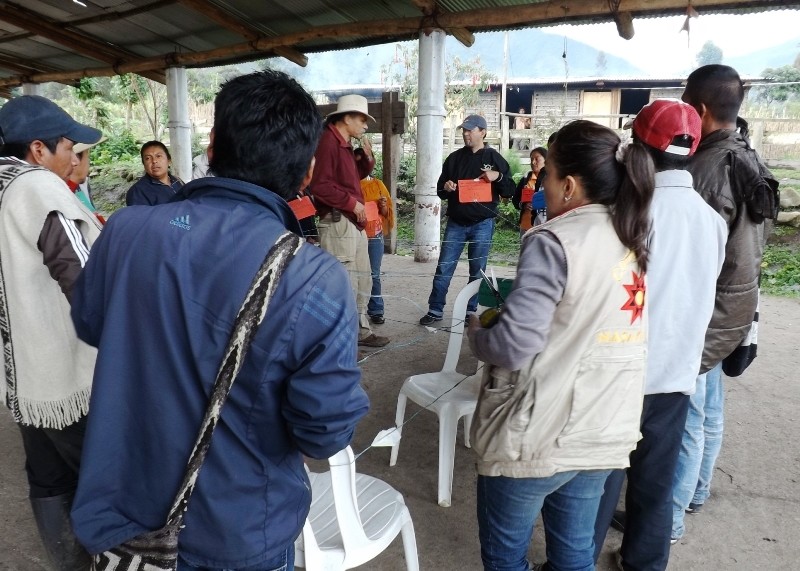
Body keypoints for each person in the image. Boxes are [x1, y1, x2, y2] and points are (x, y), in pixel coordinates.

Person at [69, 70, 370, 571]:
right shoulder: (312, 278)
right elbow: (323, 433)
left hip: (124, 518)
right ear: (306, 171)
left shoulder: (125, 231)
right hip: (238, 532)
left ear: (211, 145)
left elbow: (91, 324)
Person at [467, 119, 654, 571]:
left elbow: (513, 345)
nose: (540, 183)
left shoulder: (554, 240)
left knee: (506, 558)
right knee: (573, 554)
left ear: (568, 184)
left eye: (545, 174)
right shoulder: (632, 235)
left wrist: (478, 332)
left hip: (540, 431)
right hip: (603, 426)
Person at [593, 99, 727, 570]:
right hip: (676, 372)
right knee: (656, 476)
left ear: (640, 152)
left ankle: (578, 557)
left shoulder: (624, 212)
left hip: (620, 370)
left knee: (601, 475)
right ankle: (644, 562)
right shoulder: (711, 220)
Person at [671, 64, 775, 544]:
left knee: (687, 417)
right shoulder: (750, 158)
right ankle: (696, 491)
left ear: (702, 109)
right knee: (710, 407)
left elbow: (693, 250)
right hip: (738, 305)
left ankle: (667, 521)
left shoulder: (708, 169)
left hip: (708, 309)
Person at [0, 95, 103, 570]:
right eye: (68, 145)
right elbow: (80, 276)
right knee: (105, 472)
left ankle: (71, 563)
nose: (71, 155)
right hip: (63, 372)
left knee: (47, 475)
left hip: (22, 371)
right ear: (38, 150)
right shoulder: (36, 186)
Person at [419, 114, 515, 326]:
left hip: (483, 224)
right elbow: (440, 190)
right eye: (464, 129)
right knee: (444, 268)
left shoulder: (493, 159)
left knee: (477, 270)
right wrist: (446, 187)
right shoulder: (454, 159)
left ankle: (470, 313)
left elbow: (510, 189)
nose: (466, 133)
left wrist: (496, 177)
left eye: (470, 130)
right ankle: (435, 309)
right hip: (456, 223)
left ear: (483, 132)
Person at [310, 94, 389, 348]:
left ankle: (360, 332)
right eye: (362, 120)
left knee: (362, 279)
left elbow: (352, 178)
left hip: (351, 222)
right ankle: (339, 342)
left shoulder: (343, 144)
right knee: (342, 284)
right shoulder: (327, 143)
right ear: (346, 118)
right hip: (337, 222)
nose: (366, 126)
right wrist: (352, 204)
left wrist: (366, 159)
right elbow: (319, 186)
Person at [356, 147, 394, 325]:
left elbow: (387, 213)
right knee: (355, 273)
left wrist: (384, 206)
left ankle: (376, 309)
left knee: (374, 273)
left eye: (362, 162)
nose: (359, 166)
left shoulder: (378, 185)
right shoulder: (349, 186)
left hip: (375, 235)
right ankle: (356, 311)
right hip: (355, 234)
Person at [125, 140, 184, 205]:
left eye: (158, 156)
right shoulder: (137, 192)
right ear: (144, 164)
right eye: (148, 158)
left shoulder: (178, 181)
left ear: (169, 160)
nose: (154, 161)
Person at [67, 137, 106, 224]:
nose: (89, 162)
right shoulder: (63, 196)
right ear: (75, 162)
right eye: (87, 156)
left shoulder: (82, 185)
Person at [511, 146, 547, 234]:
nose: (533, 162)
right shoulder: (526, 178)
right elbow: (515, 199)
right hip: (526, 224)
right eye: (531, 159)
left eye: (537, 159)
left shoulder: (551, 179)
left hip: (544, 225)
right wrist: (523, 205)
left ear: (546, 160)